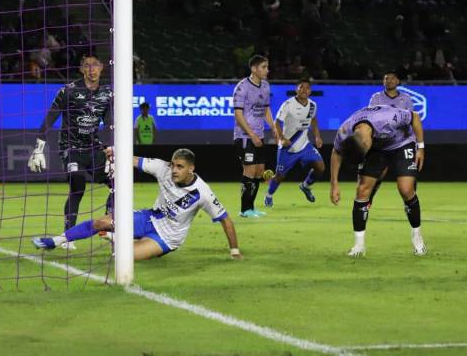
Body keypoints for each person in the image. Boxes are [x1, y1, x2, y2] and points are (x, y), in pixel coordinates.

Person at [33, 149, 242, 260]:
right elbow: (136, 160)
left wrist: (234, 251)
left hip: (166, 238)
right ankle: (56, 240)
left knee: (124, 257)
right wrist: (115, 151)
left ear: (191, 168)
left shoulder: (203, 193)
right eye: (173, 165)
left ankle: (120, 238)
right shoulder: (163, 168)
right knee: (101, 222)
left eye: (180, 167)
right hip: (149, 218)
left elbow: (226, 220)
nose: (174, 170)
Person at [27, 53, 113, 249]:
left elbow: (109, 124)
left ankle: (107, 227)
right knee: (78, 184)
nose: (91, 69)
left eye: (95, 65)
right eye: (87, 65)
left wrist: (111, 149)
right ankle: (68, 236)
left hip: (94, 149)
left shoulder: (107, 94)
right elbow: (50, 119)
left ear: (101, 68)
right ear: (81, 69)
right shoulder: (68, 91)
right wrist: (39, 147)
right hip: (71, 148)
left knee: (118, 183)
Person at [330, 105, 426, 257]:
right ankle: (359, 245)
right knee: (362, 191)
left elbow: (414, 116)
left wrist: (420, 147)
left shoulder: (389, 118)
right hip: (378, 149)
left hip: (402, 144)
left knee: (406, 189)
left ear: (366, 143)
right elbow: (336, 152)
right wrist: (334, 184)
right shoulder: (345, 130)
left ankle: (417, 236)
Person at [233, 55, 283, 217]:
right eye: (263, 67)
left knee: (259, 171)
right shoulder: (242, 87)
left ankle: (252, 208)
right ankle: (244, 210)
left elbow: (266, 109)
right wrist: (251, 134)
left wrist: (273, 128)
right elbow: (238, 115)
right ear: (254, 69)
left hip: (259, 136)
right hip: (245, 137)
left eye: (267, 67)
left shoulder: (266, 86)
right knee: (250, 170)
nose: (267, 70)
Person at [264, 79, 324, 207]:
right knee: (280, 176)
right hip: (288, 148)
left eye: (307, 88)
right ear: (296, 89)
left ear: (310, 91)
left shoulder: (313, 105)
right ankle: (268, 195)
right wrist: (282, 138)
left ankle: (305, 186)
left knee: (320, 167)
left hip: (304, 145)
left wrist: (317, 137)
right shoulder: (288, 104)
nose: (304, 90)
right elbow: (277, 122)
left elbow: (313, 120)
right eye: (301, 87)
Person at [366, 71, 414, 204]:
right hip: (382, 142)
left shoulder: (406, 99)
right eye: (386, 79)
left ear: (398, 81)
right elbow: (372, 117)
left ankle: (409, 203)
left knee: (408, 175)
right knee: (379, 173)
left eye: (393, 78)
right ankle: (369, 199)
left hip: (403, 142)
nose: (390, 81)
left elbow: (411, 119)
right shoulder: (376, 98)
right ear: (383, 82)